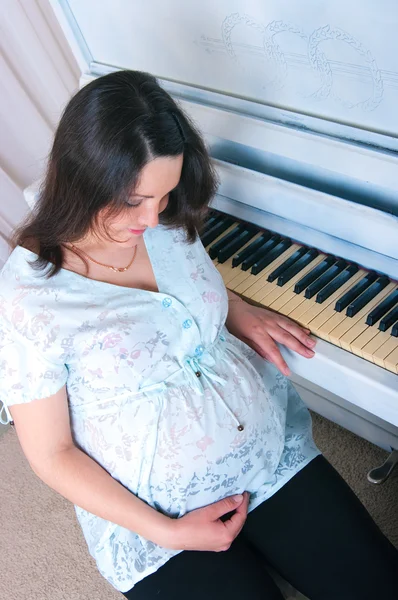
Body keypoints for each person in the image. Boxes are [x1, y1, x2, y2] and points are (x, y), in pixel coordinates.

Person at [0, 70, 397, 600]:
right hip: (158, 515)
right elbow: (51, 453)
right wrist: (168, 531)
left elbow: (187, 288)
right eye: (134, 199)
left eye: (163, 195)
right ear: (81, 178)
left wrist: (234, 308)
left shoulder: (164, 217)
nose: (152, 217)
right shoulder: (30, 302)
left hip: (267, 457)